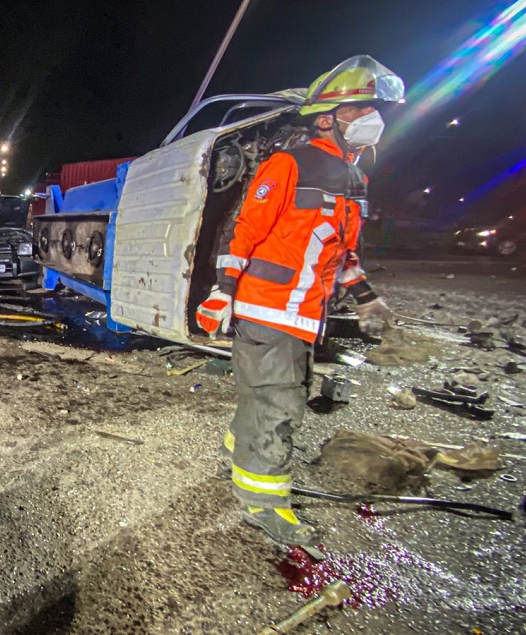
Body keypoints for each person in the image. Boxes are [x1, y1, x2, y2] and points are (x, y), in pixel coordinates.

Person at [196, 56, 403, 546]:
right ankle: (263, 501)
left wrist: (367, 299)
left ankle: (243, 447)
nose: (373, 118)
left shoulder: (355, 179)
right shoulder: (288, 164)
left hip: (305, 314)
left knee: (276, 394)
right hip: (266, 308)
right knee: (280, 404)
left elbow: (344, 253)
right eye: (363, 108)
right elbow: (243, 232)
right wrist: (220, 294)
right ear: (328, 116)